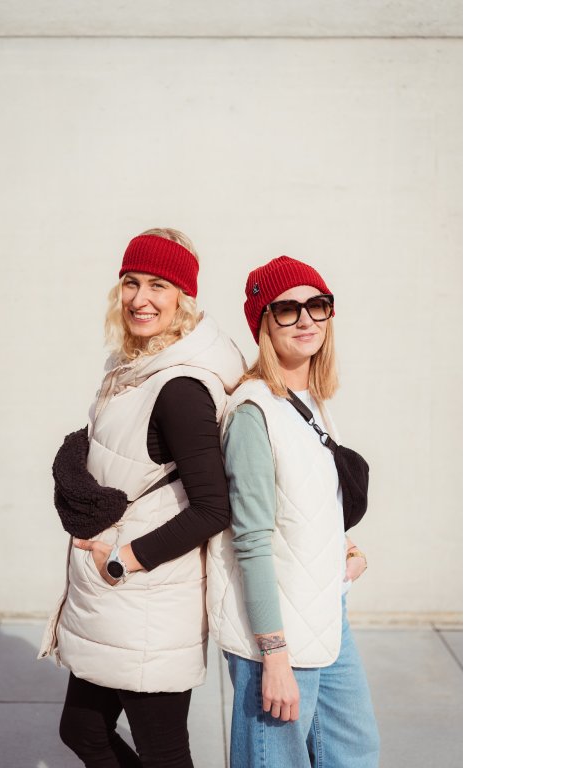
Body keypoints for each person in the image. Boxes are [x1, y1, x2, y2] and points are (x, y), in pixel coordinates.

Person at [39, 228, 246, 768]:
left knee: (163, 754)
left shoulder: (178, 387)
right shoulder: (135, 369)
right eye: (131, 282)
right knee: (82, 730)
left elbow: (213, 507)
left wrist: (122, 560)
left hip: (147, 603)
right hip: (119, 604)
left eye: (158, 285)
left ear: (183, 297)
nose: (140, 298)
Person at [207, 255, 381, 767]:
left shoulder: (310, 402)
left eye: (317, 305)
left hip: (326, 613)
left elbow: (303, 506)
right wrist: (274, 656)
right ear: (264, 323)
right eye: (287, 309)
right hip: (278, 629)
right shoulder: (253, 412)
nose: (305, 319)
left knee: (354, 752)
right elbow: (252, 539)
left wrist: (344, 549)